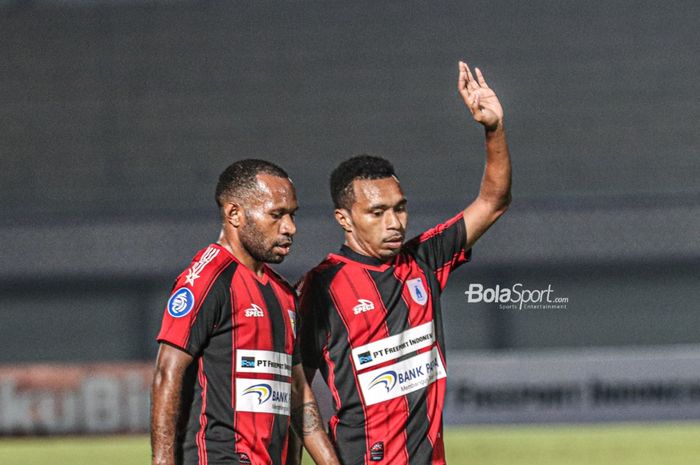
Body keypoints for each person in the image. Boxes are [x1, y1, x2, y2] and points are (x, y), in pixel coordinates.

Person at [297, 62, 512, 465]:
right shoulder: (320, 287)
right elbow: (297, 384)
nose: (394, 223)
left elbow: (493, 201)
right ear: (344, 218)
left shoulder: (424, 259)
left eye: (399, 208)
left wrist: (493, 129)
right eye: (377, 212)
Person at [151, 159, 339, 465]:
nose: (290, 227)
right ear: (234, 214)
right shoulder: (206, 280)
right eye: (276, 215)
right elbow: (167, 371)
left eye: (292, 215)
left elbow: (297, 391)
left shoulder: (283, 294)